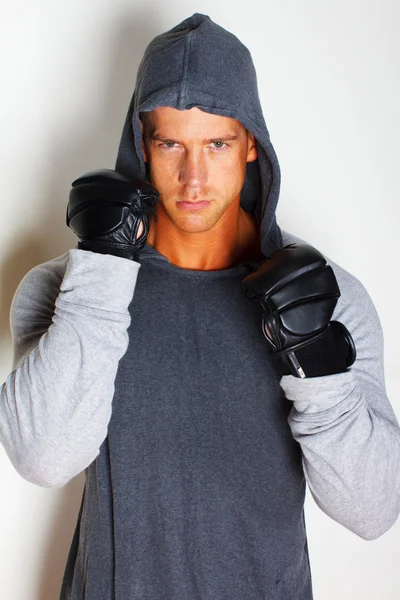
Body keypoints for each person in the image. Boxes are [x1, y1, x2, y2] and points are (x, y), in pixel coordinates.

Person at [1, 12, 399, 600]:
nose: (193, 178)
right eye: (170, 144)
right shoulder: (70, 289)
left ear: (251, 148)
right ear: (141, 144)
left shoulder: (329, 298)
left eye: (217, 144)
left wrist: (318, 371)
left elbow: (375, 511)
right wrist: (104, 270)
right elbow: (44, 458)